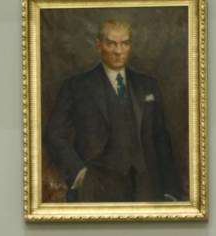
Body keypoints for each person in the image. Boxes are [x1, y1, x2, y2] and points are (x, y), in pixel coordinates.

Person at [45, 19, 182, 202]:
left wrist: (170, 190)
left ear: (130, 46)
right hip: (94, 187)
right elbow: (54, 134)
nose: (118, 51)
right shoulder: (76, 86)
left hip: (145, 187)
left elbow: (160, 139)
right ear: (98, 45)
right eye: (111, 43)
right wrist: (79, 173)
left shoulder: (148, 85)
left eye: (124, 43)